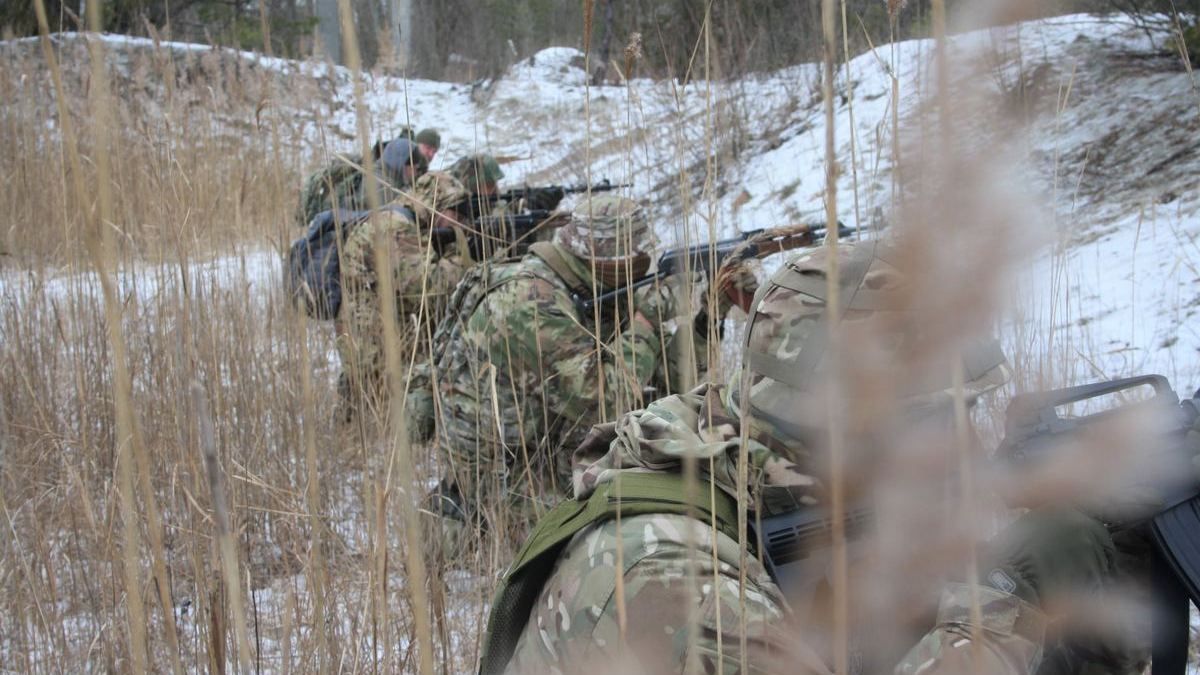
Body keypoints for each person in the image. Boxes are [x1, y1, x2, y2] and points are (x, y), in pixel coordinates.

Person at [476, 240, 1128, 675]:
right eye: (946, 419)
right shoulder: (668, 575)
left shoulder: (748, 478)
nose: (967, 449)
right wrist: (1002, 611)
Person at [424, 194, 755, 539]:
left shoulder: (589, 287)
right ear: (604, 255)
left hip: (551, 445)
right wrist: (645, 323)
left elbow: (658, 383)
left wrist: (710, 315)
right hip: (504, 478)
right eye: (637, 254)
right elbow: (610, 400)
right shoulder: (529, 304)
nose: (645, 262)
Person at [336, 170, 468, 420]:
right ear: (434, 203)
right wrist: (460, 255)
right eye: (453, 212)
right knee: (376, 415)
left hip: (372, 335)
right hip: (373, 344)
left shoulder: (401, 219)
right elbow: (430, 291)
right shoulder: (395, 226)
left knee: (365, 407)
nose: (457, 221)